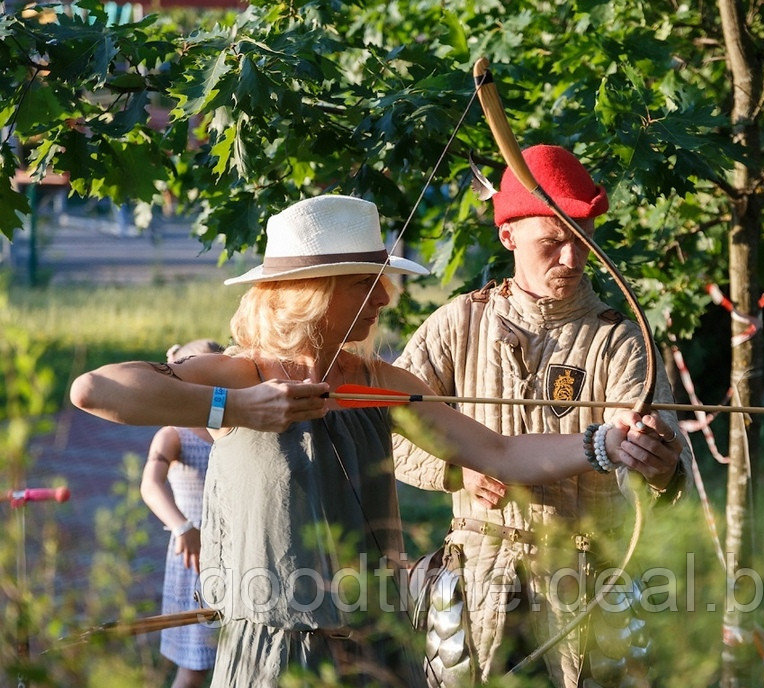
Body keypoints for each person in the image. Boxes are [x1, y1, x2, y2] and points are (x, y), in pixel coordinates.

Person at [69, 194, 664, 688]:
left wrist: (604, 443)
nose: (384, 298)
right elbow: (94, 389)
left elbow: (501, 453)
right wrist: (236, 408)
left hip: (373, 643)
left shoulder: (380, 384)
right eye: (364, 284)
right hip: (278, 650)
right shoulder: (243, 374)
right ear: (312, 292)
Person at [393, 145, 690, 687]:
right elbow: (391, 428)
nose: (572, 260)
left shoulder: (617, 338)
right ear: (508, 236)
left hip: (584, 584)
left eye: (582, 242)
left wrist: (657, 463)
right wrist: (456, 469)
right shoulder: (456, 323)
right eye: (552, 242)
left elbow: (657, 464)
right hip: (478, 579)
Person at [140, 338, 225, 688]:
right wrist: (182, 526)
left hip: (234, 554)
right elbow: (151, 485)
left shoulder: (232, 428)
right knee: (193, 668)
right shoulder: (173, 433)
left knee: (239, 658)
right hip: (195, 558)